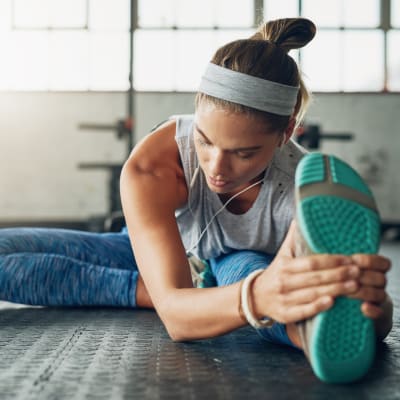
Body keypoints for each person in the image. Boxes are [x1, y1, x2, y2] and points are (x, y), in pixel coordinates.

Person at [0, 18, 393, 383]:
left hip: (249, 269)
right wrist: (188, 296)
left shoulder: (302, 188)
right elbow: (176, 317)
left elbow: (347, 300)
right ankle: (173, 292)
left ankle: (302, 334)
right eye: (205, 140)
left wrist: (371, 309)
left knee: (246, 268)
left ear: (286, 131)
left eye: (243, 153)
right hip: (165, 253)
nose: (216, 167)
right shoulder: (154, 164)